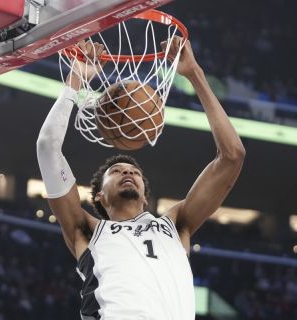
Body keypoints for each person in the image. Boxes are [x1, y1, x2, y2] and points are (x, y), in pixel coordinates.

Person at [36, 38, 245, 320]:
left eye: (135, 172)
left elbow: (232, 156)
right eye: (118, 171)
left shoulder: (175, 224)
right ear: (99, 196)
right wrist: (77, 79)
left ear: (146, 194)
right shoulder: (86, 230)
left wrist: (194, 73)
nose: (129, 173)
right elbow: (47, 146)